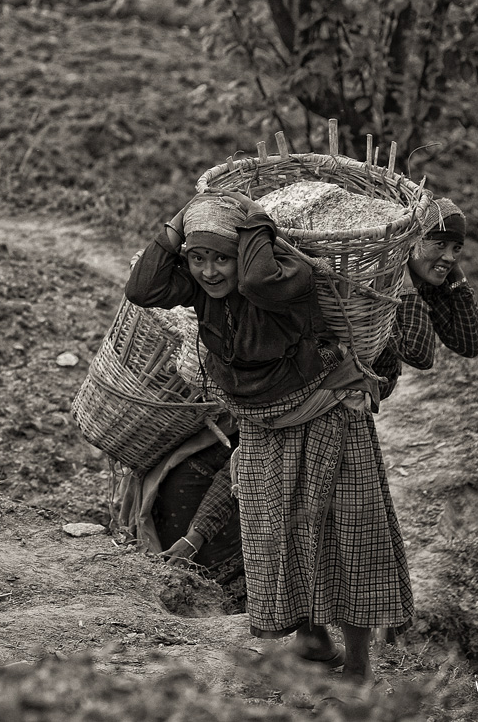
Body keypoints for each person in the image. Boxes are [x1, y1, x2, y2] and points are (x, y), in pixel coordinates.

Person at [125, 191, 413, 685]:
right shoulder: (201, 292)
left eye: (222, 258)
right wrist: (179, 222)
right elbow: (142, 287)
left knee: (345, 533)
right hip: (262, 421)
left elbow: (258, 277)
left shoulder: (289, 280)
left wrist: (252, 219)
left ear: (247, 252)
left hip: (325, 410)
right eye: (198, 259)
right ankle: (312, 641)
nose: (210, 272)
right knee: (273, 531)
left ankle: (361, 666)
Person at [116, 416, 245, 609]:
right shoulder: (211, 416)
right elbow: (231, 476)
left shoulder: (238, 423)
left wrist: (193, 538)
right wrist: (193, 540)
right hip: (178, 522)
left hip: (196, 528)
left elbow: (231, 477)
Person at [372, 197, 478, 401]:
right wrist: (406, 289)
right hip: (333, 398)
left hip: (366, 397)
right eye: (440, 244)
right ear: (413, 242)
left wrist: (458, 279)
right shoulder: (380, 288)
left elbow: (468, 344)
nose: (450, 257)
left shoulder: (429, 285)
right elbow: (419, 355)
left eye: (456, 248)